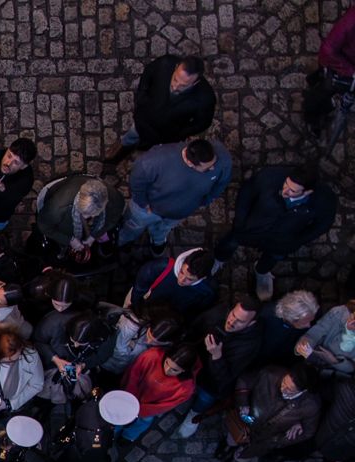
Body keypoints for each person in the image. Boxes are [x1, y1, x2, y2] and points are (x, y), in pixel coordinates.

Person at [214, 164, 340, 302]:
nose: (285, 191)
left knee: (274, 256)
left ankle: (261, 271)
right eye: (286, 184)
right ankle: (219, 258)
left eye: (292, 191)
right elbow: (247, 192)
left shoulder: (324, 200)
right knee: (231, 241)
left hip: (282, 240)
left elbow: (322, 225)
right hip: (252, 227)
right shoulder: (270, 176)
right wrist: (240, 220)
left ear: (307, 192)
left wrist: (297, 240)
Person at [121, 136, 231, 252]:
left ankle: (158, 240)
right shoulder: (152, 161)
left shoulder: (221, 157)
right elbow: (137, 183)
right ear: (190, 163)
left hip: (179, 214)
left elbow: (220, 184)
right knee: (133, 226)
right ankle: (123, 239)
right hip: (147, 210)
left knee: (164, 229)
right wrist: (143, 203)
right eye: (207, 168)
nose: (213, 168)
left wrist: (204, 201)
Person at [105, 53, 215, 165]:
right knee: (132, 135)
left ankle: (145, 155)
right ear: (176, 67)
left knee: (156, 151)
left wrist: (180, 132)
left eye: (183, 85)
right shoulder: (165, 64)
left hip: (166, 135)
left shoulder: (205, 98)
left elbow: (203, 123)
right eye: (175, 79)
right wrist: (142, 97)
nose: (175, 87)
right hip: (144, 119)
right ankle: (121, 150)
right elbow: (148, 73)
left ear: (195, 82)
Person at [212, 363, 322, 462]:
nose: (283, 389)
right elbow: (244, 381)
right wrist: (243, 404)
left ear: (303, 391)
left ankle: (237, 459)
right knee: (236, 434)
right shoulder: (270, 373)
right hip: (248, 420)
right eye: (284, 383)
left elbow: (308, 432)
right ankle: (229, 444)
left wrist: (277, 440)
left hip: (267, 439)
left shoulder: (310, 406)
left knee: (249, 452)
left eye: (289, 390)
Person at [33, 173, 124, 268]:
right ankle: (62, 249)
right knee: (62, 229)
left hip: (77, 187)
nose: (89, 217)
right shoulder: (58, 207)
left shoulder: (114, 198)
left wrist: (93, 236)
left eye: (95, 213)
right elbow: (44, 225)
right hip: (51, 198)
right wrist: (69, 240)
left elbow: (114, 216)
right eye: (85, 213)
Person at [118, 342, 202, 440]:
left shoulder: (186, 387)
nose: (167, 369)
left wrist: (139, 410)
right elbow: (133, 374)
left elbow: (164, 406)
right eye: (166, 362)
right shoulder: (152, 355)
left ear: (184, 371)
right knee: (120, 416)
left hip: (148, 409)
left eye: (174, 370)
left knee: (144, 421)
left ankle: (128, 437)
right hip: (131, 398)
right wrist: (130, 398)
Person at [300, 377, 355, 462]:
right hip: (324, 430)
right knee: (304, 446)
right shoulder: (348, 388)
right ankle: (284, 454)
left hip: (345, 452)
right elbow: (322, 390)